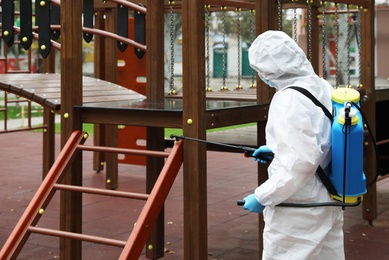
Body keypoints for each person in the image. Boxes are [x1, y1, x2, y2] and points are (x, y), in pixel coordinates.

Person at [242, 30, 344, 259]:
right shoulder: (321, 86)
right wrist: (277, 151)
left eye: (260, 70)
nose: (261, 76)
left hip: (299, 206)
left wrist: (262, 196)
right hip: (328, 197)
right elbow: (320, 139)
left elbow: (301, 164)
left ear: (269, 69)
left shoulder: (288, 99)